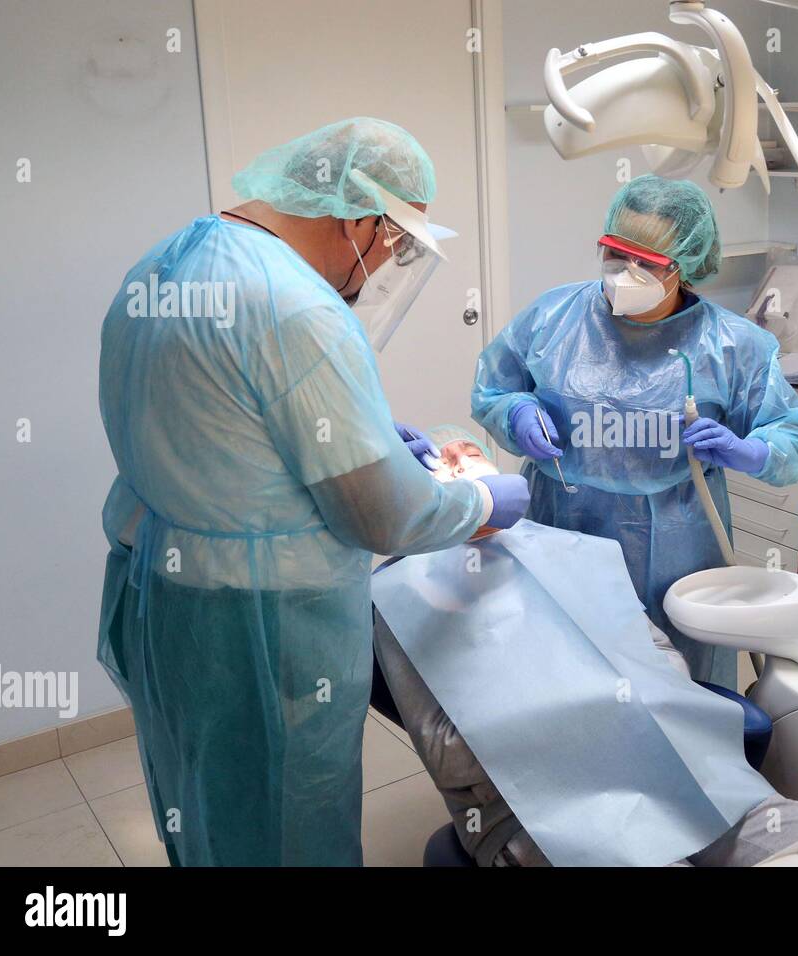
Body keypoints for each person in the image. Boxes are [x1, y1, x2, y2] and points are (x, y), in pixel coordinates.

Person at [96, 118, 529, 866]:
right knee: (284, 826)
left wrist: (360, 432)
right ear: (357, 215)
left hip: (166, 605)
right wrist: (486, 504)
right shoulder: (297, 308)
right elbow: (385, 514)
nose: (381, 264)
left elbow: (214, 424)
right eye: (392, 241)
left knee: (203, 805)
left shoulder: (166, 263)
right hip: (264, 630)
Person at [371, 429, 798, 866]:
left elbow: (661, 657)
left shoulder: (572, 552)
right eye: (440, 468)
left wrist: (627, 705)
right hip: (538, 810)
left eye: (470, 456)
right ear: (418, 502)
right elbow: (450, 757)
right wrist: (592, 708)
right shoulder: (403, 595)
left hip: (673, 766)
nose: (456, 463)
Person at [473, 176, 798, 686]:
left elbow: (790, 432)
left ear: (685, 266)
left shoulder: (733, 344)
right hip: (563, 529)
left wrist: (751, 451)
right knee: (567, 673)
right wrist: (518, 413)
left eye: (649, 264)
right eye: (616, 255)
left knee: (678, 686)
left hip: (678, 548)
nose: (626, 275)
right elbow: (494, 390)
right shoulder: (553, 318)